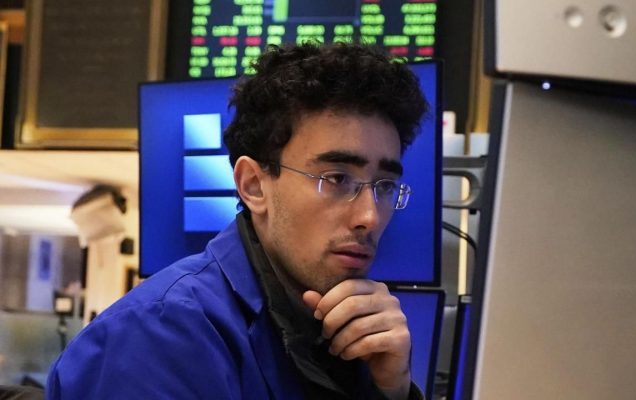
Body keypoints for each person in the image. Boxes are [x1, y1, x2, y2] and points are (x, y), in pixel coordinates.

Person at [45, 42, 428, 399]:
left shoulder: (345, 335)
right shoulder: (156, 335)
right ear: (253, 185)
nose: (369, 216)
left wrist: (393, 391)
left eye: (385, 186)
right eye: (336, 179)